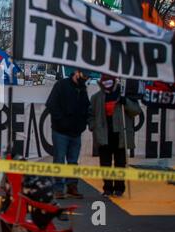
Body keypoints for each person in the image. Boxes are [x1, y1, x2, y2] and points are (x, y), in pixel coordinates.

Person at [88, 74, 142, 197]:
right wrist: (93, 126)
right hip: (104, 135)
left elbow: (136, 111)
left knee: (120, 163)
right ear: (101, 82)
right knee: (105, 164)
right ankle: (107, 188)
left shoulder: (123, 96)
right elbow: (90, 114)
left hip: (120, 135)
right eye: (105, 81)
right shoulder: (96, 97)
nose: (107, 84)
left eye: (109, 81)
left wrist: (126, 102)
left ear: (114, 81)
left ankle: (119, 188)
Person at [45, 68, 91, 199]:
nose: (86, 78)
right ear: (77, 72)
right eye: (85, 75)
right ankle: (58, 189)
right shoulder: (61, 85)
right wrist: (62, 122)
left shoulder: (83, 89)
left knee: (73, 161)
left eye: (88, 77)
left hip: (76, 132)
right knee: (59, 160)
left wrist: (82, 125)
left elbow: (86, 108)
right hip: (60, 131)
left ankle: (72, 186)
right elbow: (51, 105)